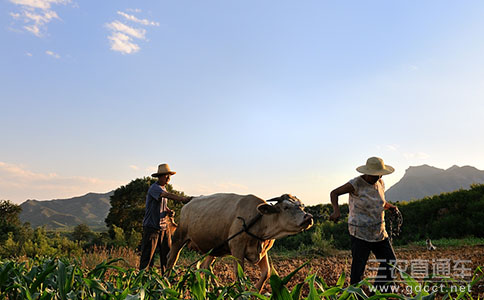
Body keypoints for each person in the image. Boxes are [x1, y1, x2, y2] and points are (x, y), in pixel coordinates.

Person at [330, 157, 398, 293]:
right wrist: (336, 211)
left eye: (379, 174)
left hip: (379, 232)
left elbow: (380, 202)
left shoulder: (380, 183)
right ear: (367, 172)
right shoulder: (356, 183)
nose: (377, 176)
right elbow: (334, 193)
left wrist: (390, 207)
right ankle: (356, 295)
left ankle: (378, 293)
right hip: (360, 233)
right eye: (375, 174)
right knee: (358, 268)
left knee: (390, 262)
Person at [139, 163, 192, 273]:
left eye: (169, 175)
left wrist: (168, 211)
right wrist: (183, 199)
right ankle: (143, 280)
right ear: (159, 177)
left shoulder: (163, 188)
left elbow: (162, 204)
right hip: (152, 228)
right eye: (165, 175)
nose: (168, 177)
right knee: (148, 257)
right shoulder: (155, 188)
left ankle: (166, 277)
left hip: (163, 227)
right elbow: (165, 195)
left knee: (167, 255)